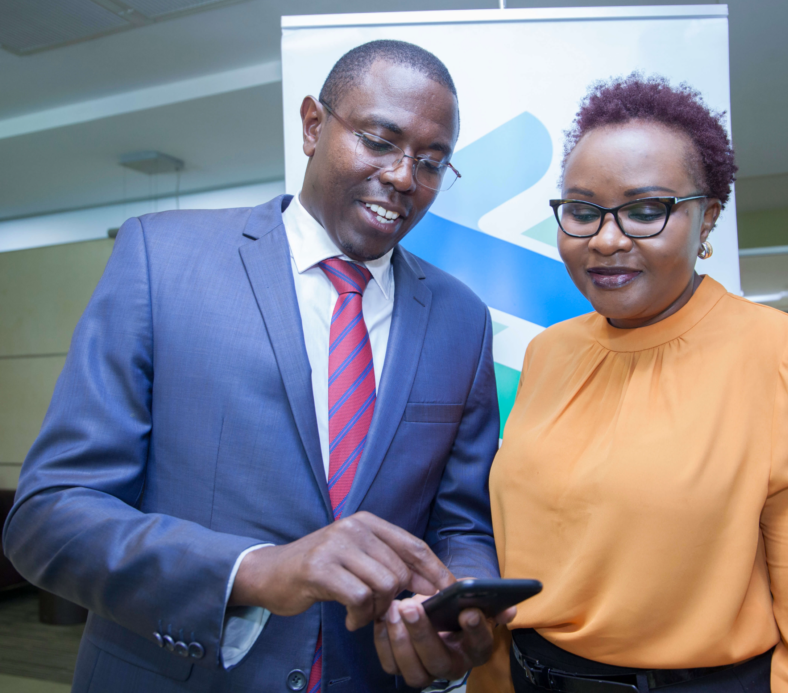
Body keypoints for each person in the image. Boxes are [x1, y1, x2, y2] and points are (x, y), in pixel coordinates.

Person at [3, 40, 509, 693]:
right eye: (380, 141)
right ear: (312, 125)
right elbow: (50, 516)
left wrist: (458, 603)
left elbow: (461, 525)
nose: (406, 178)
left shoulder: (462, 319)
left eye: (433, 163)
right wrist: (255, 570)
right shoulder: (161, 259)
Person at [469, 74, 788, 693]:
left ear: (707, 220)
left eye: (647, 210)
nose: (607, 239)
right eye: (583, 211)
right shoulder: (549, 352)